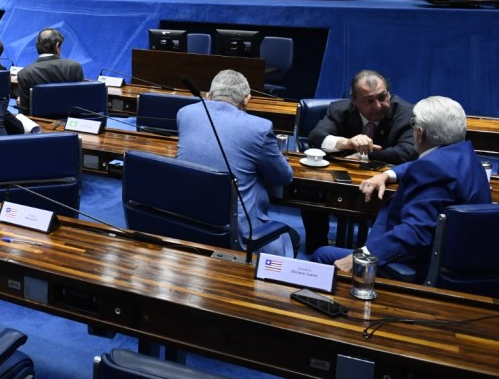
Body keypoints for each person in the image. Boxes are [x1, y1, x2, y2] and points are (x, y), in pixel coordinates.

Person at [314, 96, 491, 280]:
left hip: (417, 266)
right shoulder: (466, 155)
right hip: (465, 262)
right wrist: (388, 174)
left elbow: (415, 232)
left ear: (420, 133)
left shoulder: (431, 168)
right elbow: (424, 165)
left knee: (323, 254)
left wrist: (362, 255)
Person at [177, 70, 296, 257]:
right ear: (247, 99)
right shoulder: (260, 127)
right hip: (238, 234)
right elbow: (284, 177)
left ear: (208, 95)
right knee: (293, 237)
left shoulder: (185, 114)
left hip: (186, 220)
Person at [302, 70, 418, 252]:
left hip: (386, 183)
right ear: (354, 100)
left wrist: (364, 155)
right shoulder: (339, 110)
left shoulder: (406, 113)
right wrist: (346, 143)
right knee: (311, 187)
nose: (378, 106)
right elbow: (315, 138)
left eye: (382, 97)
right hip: (344, 179)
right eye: (369, 101)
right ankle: (317, 249)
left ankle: (376, 253)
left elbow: (407, 152)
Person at [16, 28, 83, 111]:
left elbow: (24, 110)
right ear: (57, 45)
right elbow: (80, 101)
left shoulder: (24, 73)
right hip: (67, 117)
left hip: (37, 118)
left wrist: (20, 103)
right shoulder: (74, 67)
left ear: (37, 46)